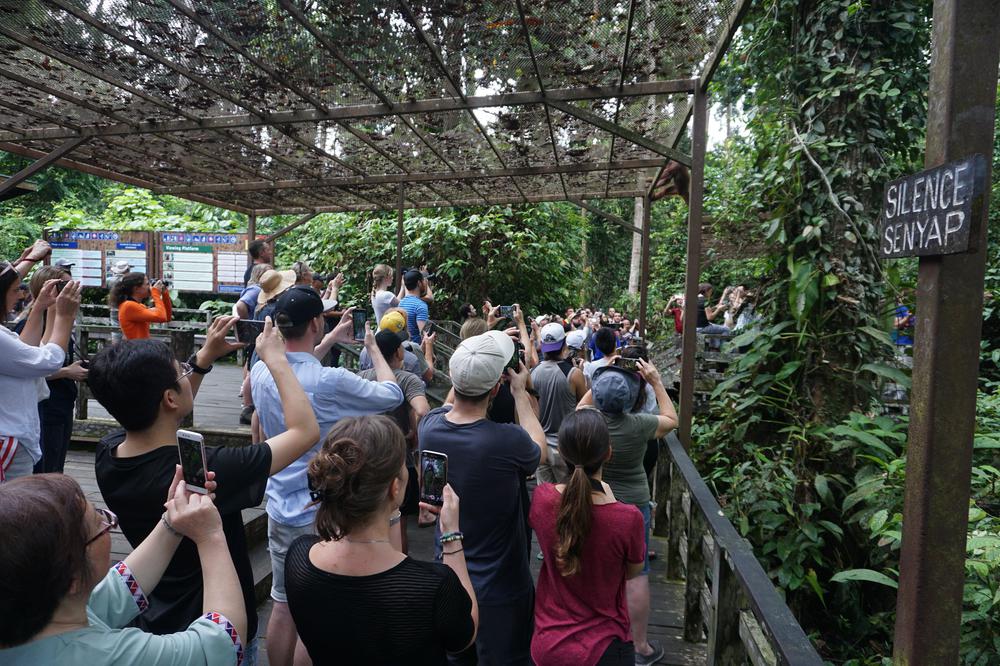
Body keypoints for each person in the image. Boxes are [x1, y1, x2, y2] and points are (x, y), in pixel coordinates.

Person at [89, 316, 320, 665]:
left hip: (155, 611)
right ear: (169, 397)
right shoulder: (209, 472)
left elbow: (164, 413)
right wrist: (276, 361)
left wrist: (200, 361)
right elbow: (305, 432)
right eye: (181, 372)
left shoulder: (108, 453)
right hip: (217, 625)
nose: (187, 374)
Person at [250, 285, 404, 666]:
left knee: (283, 603)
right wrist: (371, 348)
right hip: (321, 511)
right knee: (315, 611)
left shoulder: (261, 369)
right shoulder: (330, 381)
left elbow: (297, 370)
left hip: (279, 503)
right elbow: (391, 394)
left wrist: (330, 339)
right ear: (316, 321)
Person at [285, 416, 478, 665]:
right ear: (394, 488)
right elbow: (465, 634)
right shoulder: (434, 586)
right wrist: (450, 535)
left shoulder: (299, 558)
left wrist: (390, 509)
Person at [0, 471, 247, 665]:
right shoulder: (106, 656)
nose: (107, 523)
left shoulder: (36, 608)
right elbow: (222, 643)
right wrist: (210, 536)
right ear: (72, 577)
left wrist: (172, 522)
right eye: (100, 523)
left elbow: (117, 591)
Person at [418, 330, 547, 665]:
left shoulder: (429, 427)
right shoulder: (506, 441)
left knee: (456, 656)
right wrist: (519, 393)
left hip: (448, 574)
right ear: (495, 388)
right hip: (501, 586)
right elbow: (540, 451)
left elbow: (449, 404)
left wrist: (471, 363)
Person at [578, 360, 678, 665]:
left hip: (594, 501)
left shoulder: (587, 422)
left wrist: (601, 384)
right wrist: (657, 382)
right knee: (636, 575)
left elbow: (583, 404)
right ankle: (640, 647)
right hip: (633, 505)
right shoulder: (640, 425)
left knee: (593, 565)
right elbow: (671, 419)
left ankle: (591, 635)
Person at [529, 409, 646, 666]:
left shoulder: (542, 500)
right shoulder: (628, 519)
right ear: (608, 453)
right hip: (604, 648)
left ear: (561, 450)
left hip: (547, 644)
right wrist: (611, 500)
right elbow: (633, 572)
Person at [0, 254, 80, 482]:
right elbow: (48, 362)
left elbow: (28, 349)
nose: (20, 295)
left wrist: (43, 307)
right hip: (10, 437)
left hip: (14, 436)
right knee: (17, 505)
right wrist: (65, 316)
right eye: (15, 290)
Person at [358, 330, 431, 553]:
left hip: (367, 457)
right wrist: (411, 432)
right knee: (398, 522)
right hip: (400, 459)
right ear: (399, 351)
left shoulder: (362, 377)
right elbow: (423, 410)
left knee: (369, 519)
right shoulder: (408, 379)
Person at [20, 266, 88, 474]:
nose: (72, 289)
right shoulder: (29, 325)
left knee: (57, 467)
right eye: (65, 285)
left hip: (63, 403)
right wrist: (67, 372)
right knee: (47, 471)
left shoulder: (60, 322)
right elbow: (36, 366)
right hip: (48, 407)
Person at [531, 322, 587, 484]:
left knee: (546, 498)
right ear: (564, 344)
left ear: (542, 346)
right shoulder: (574, 374)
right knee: (568, 497)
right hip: (565, 447)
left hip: (540, 447)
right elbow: (584, 408)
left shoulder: (533, 373)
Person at [358, 310, 435, 383]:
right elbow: (428, 376)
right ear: (398, 353)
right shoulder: (411, 356)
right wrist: (428, 345)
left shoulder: (365, 351)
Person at [111, 272, 173, 340]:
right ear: (136, 289)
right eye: (147, 284)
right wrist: (155, 293)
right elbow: (161, 317)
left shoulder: (139, 306)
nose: (149, 287)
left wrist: (164, 293)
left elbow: (166, 316)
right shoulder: (128, 306)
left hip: (141, 346)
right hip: (136, 348)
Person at [399, 268, 433, 343]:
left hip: (404, 347)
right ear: (419, 283)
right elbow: (424, 336)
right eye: (423, 281)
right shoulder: (420, 306)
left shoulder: (401, 303)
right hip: (416, 349)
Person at [107, 260, 133, 343]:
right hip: (127, 309)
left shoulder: (110, 281)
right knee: (128, 331)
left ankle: (116, 350)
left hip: (114, 308)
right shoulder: (129, 281)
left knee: (115, 332)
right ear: (127, 270)